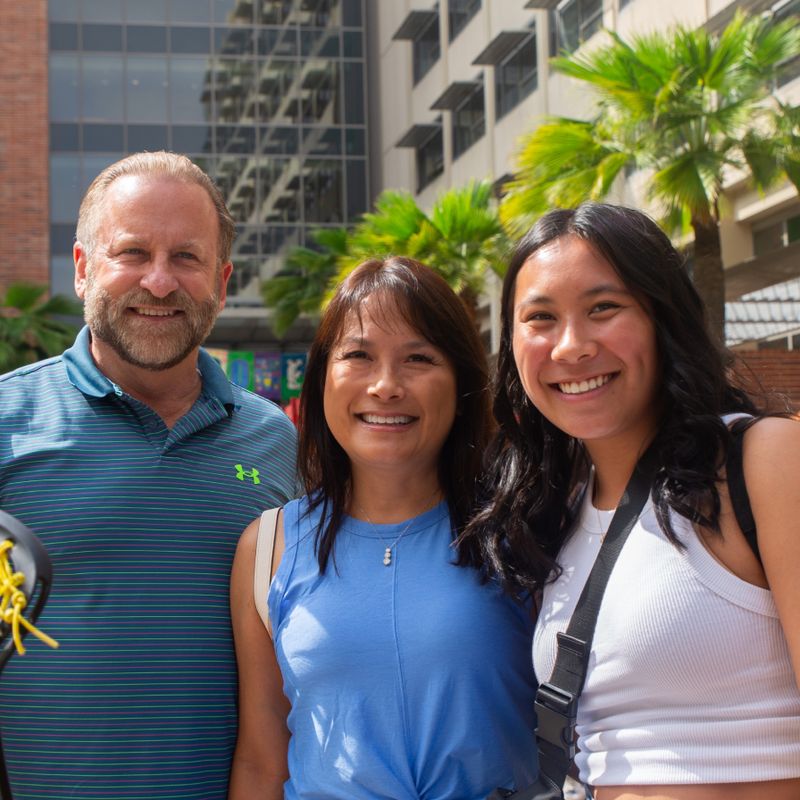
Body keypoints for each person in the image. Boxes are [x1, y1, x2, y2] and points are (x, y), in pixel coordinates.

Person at [463, 202, 800, 800]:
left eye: (604, 308)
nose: (570, 347)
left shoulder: (764, 459)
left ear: (661, 318)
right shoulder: (551, 510)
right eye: (540, 318)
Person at [0, 151, 298, 799]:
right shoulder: (6, 420)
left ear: (221, 281)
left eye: (186, 258)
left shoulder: (276, 440)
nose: (159, 282)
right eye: (131, 252)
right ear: (83, 270)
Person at [229, 256, 539, 800]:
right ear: (323, 375)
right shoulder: (267, 548)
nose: (386, 386)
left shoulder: (521, 528)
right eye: (359, 356)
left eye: (419, 357)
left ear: (462, 382)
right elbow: (261, 757)